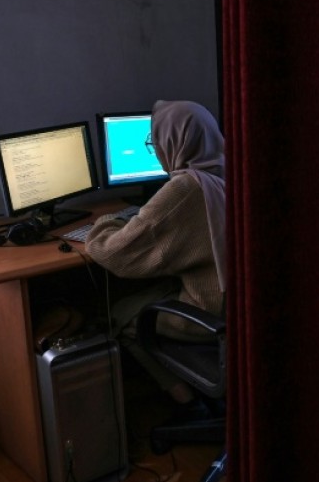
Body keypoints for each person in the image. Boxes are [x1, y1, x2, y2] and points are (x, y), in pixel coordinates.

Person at [86, 99, 226, 407]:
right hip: (242, 309)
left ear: (174, 144)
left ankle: (188, 402)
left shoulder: (186, 190)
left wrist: (105, 222)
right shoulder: (231, 168)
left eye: (155, 143)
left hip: (210, 314)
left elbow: (115, 255)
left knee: (119, 313)